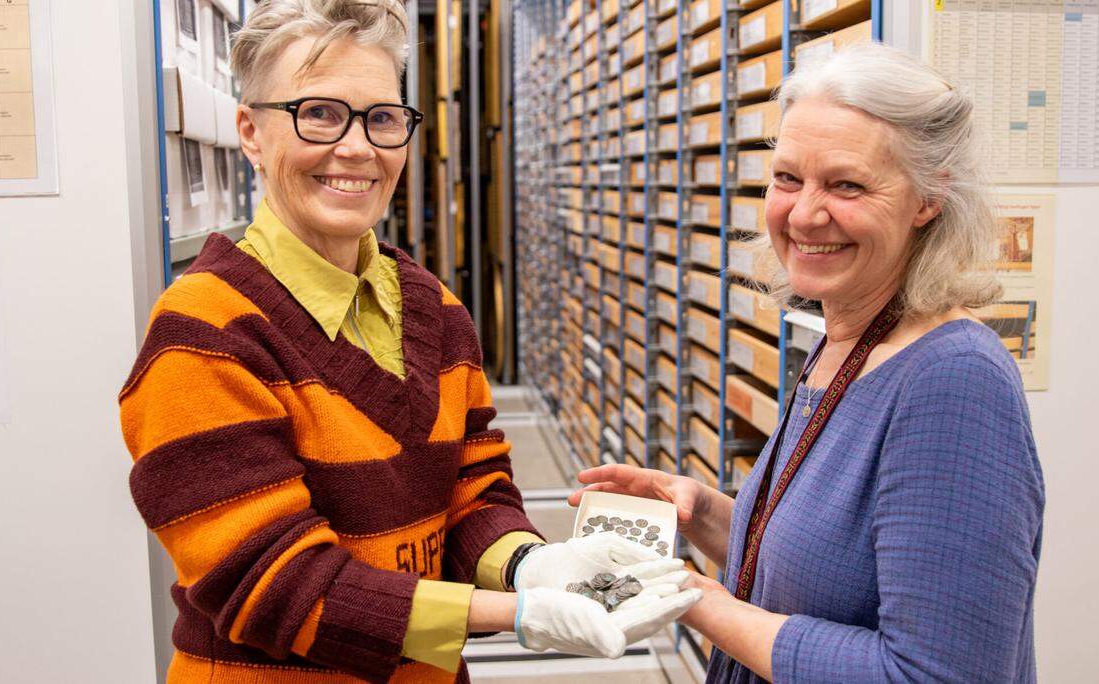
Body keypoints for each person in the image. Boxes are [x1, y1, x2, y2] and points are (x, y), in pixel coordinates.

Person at [119, 1, 698, 681]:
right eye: (320, 113)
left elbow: (473, 494)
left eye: (382, 119)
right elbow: (276, 585)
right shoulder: (203, 336)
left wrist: (530, 562)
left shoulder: (434, 309)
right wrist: (508, 612)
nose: (358, 148)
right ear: (250, 131)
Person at [571, 43, 1045, 683]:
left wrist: (697, 600)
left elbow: (936, 675)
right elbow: (837, 574)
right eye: (788, 178)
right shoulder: (847, 337)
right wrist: (708, 515)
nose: (803, 213)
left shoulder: (952, 382)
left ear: (929, 198)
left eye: (847, 184)